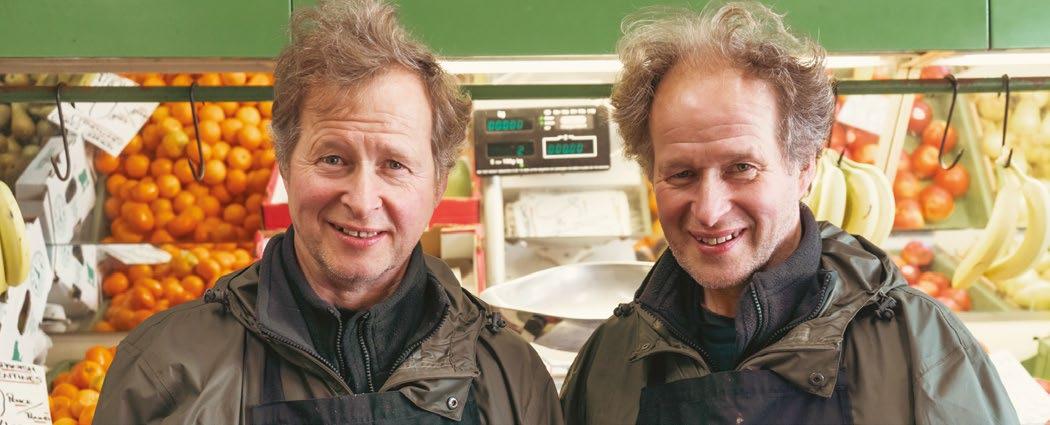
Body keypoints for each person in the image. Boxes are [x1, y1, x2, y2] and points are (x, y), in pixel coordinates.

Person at [95, 0, 563, 423]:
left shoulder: (512, 377)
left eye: (395, 165)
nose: (361, 199)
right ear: (285, 164)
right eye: (333, 159)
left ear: (438, 186)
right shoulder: (163, 371)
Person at [560, 2, 1018, 424]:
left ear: (804, 170)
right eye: (681, 174)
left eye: (742, 168)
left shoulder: (917, 345)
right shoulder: (608, 362)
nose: (710, 210)